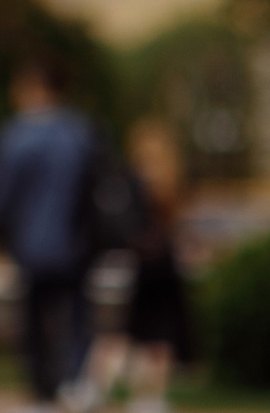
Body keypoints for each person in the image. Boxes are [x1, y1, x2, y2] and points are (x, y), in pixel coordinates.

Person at [0, 56, 102, 413]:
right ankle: (76, 382)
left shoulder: (15, 137)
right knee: (76, 316)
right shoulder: (82, 132)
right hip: (77, 242)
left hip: (31, 244)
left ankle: (42, 394)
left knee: (34, 320)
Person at [85, 120, 191, 413]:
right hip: (162, 270)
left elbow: (126, 227)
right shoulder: (169, 179)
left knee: (122, 334)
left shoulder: (131, 182)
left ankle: (97, 388)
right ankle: (150, 398)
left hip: (141, 268)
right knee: (157, 340)